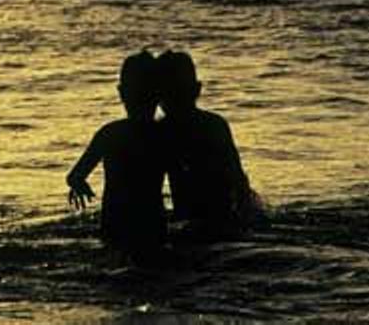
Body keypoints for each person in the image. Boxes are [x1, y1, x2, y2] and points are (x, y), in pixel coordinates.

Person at [66, 50, 168, 260]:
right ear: (159, 95)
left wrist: (80, 187)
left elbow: (75, 176)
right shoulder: (164, 135)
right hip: (152, 222)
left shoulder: (111, 133)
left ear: (121, 93)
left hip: (114, 220)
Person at [157, 50, 261, 241]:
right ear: (197, 90)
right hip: (218, 217)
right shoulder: (214, 124)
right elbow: (238, 178)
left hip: (199, 219)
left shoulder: (163, 132)